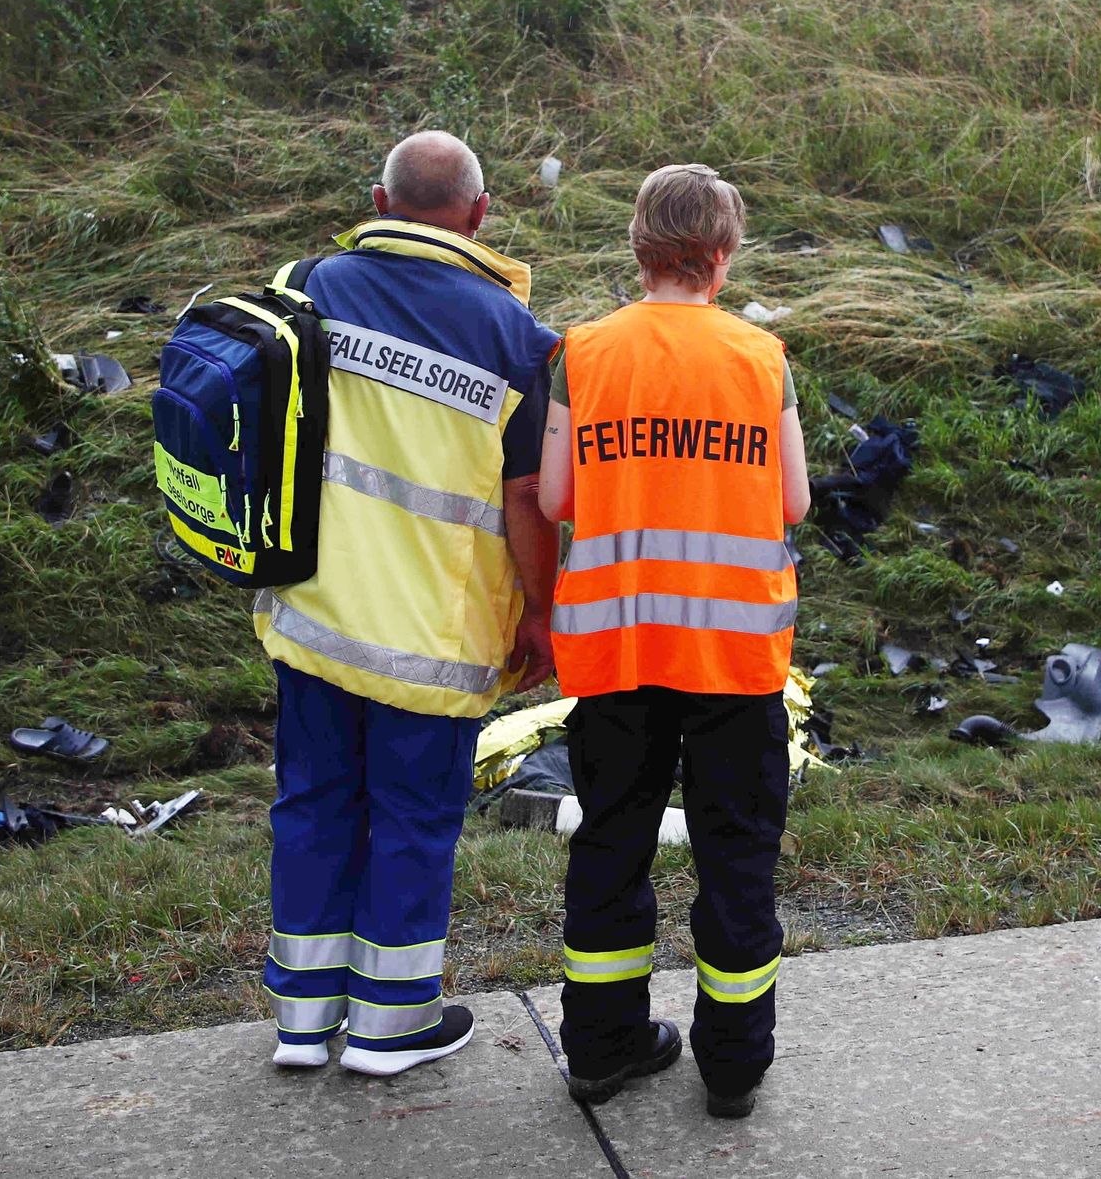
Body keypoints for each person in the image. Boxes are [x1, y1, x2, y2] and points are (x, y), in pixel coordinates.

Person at [257, 131, 560, 1076]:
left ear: (379, 201)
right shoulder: (522, 343)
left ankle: (301, 1023)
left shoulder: (308, 281)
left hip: (313, 615)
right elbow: (524, 500)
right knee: (413, 819)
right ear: (479, 213)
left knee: (310, 801)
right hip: (432, 637)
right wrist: (542, 615)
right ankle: (390, 1026)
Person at [538, 163, 811, 1120]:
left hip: (617, 651)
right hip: (734, 662)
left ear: (638, 248)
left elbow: (557, 499)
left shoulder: (584, 350)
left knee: (611, 842)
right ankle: (733, 1063)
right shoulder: (760, 359)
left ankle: (601, 1045)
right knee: (738, 855)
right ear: (722, 256)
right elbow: (796, 502)